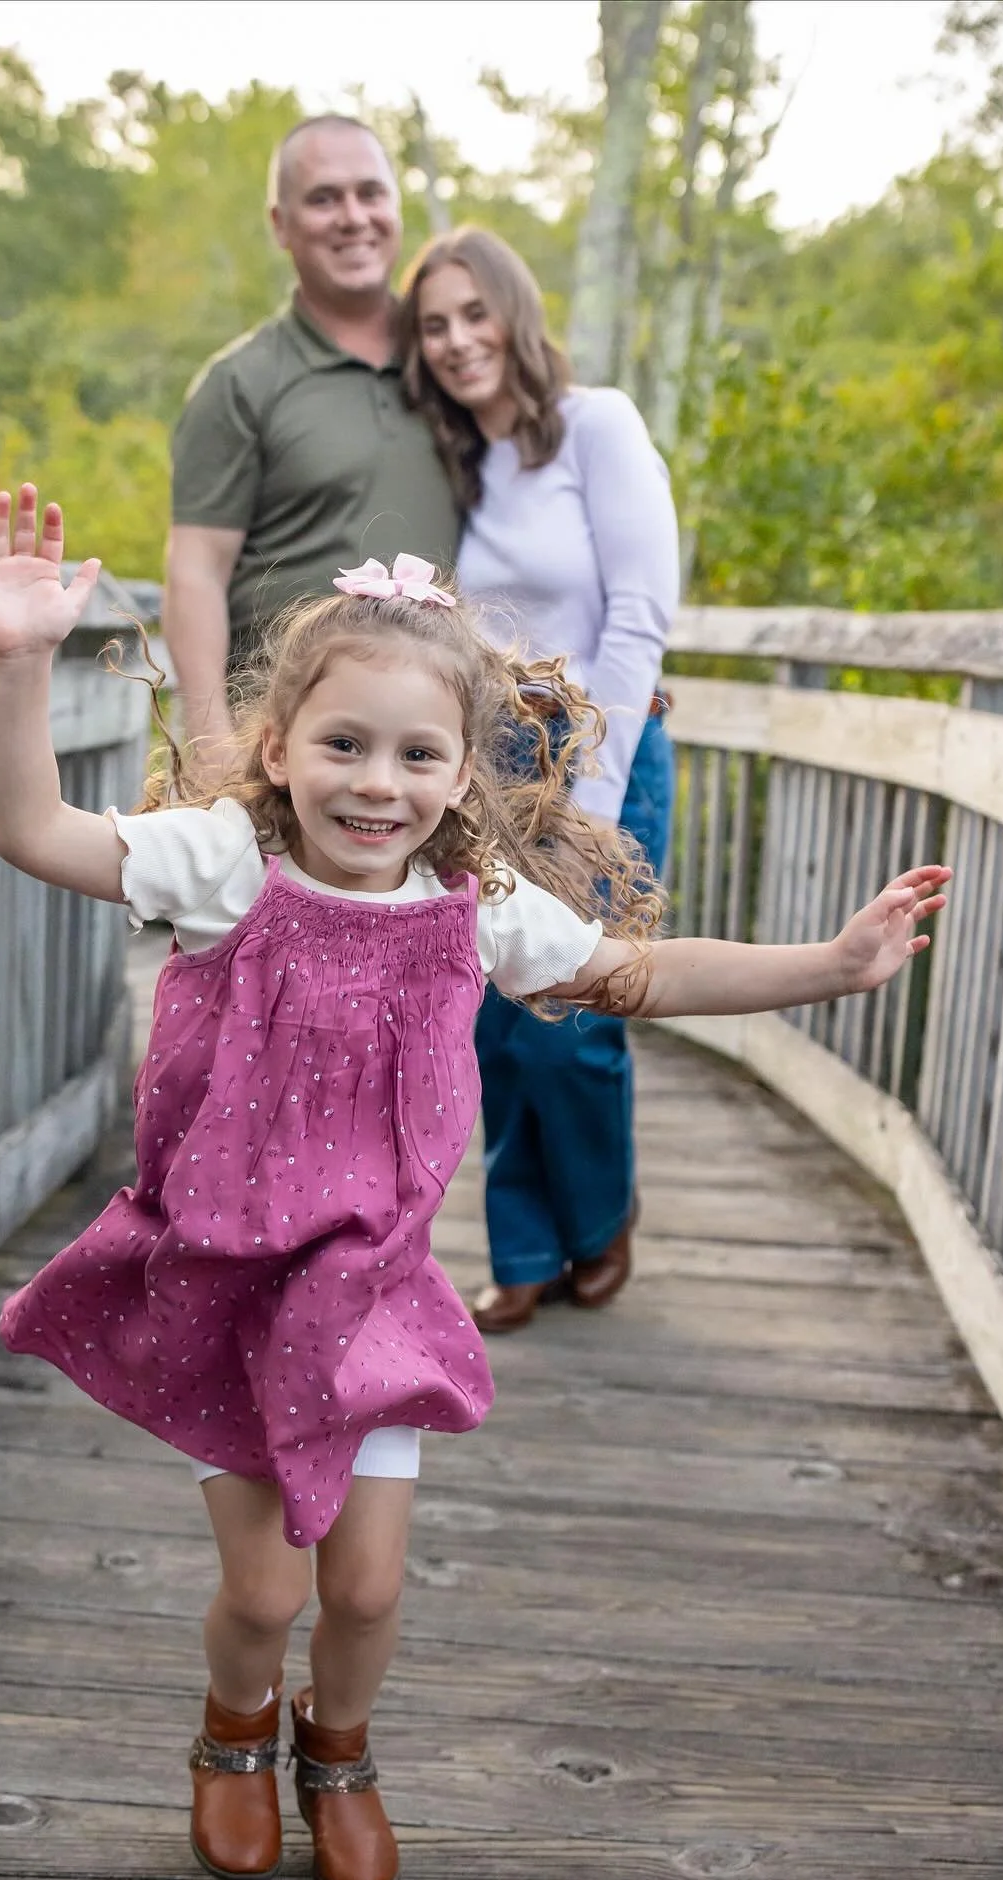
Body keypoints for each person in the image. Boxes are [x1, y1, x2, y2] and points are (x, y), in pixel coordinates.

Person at [0, 483, 950, 1880]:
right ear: (281, 745)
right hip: (228, 1284)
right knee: (267, 1590)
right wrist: (18, 659)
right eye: (344, 744)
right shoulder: (229, 867)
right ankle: (234, 1736)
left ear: (464, 771)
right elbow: (32, 830)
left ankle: (335, 1749)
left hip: (373, 1299)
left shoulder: (471, 911)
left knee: (363, 1591)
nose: (378, 784)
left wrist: (827, 965)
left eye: (420, 755)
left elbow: (639, 974)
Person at [399, 225, 679, 1336]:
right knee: (494, 1010)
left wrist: (597, 795)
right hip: (489, 756)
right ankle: (520, 1247)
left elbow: (639, 614)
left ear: (517, 312)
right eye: (436, 325)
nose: (461, 340)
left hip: (596, 744)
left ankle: (599, 1221)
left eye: (476, 312)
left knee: (582, 1005)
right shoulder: (457, 463)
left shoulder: (597, 427)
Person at [164, 114, 459, 773]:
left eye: (370, 193)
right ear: (280, 224)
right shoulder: (241, 381)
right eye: (324, 198)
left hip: (424, 757)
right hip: (279, 749)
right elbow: (196, 571)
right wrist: (210, 747)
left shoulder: (451, 360)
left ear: (395, 206)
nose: (352, 217)